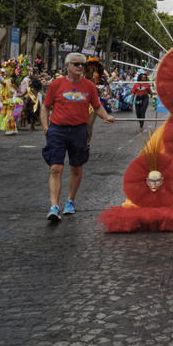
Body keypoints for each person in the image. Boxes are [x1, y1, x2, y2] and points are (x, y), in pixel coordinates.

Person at [41, 53, 115, 221]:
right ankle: (54, 206)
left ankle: (70, 201)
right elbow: (45, 107)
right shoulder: (56, 85)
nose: (80, 67)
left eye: (82, 64)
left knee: (77, 167)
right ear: (67, 65)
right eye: (76, 64)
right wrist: (46, 127)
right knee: (55, 168)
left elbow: (97, 106)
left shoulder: (89, 86)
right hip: (58, 130)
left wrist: (106, 116)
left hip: (79, 131)